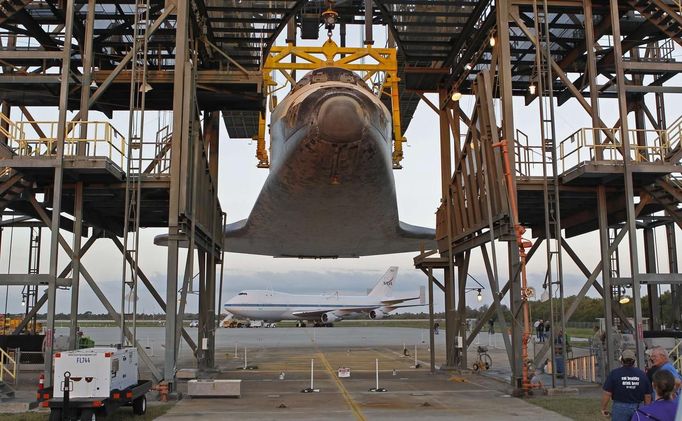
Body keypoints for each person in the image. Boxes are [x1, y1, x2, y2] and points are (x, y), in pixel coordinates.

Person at [601, 349, 652, 420]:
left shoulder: (614, 373)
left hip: (619, 407)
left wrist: (603, 408)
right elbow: (648, 395)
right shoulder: (642, 374)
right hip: (638, 407)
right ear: (634, 361)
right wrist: (646, 410)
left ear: (621, 360)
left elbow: (607, 393)